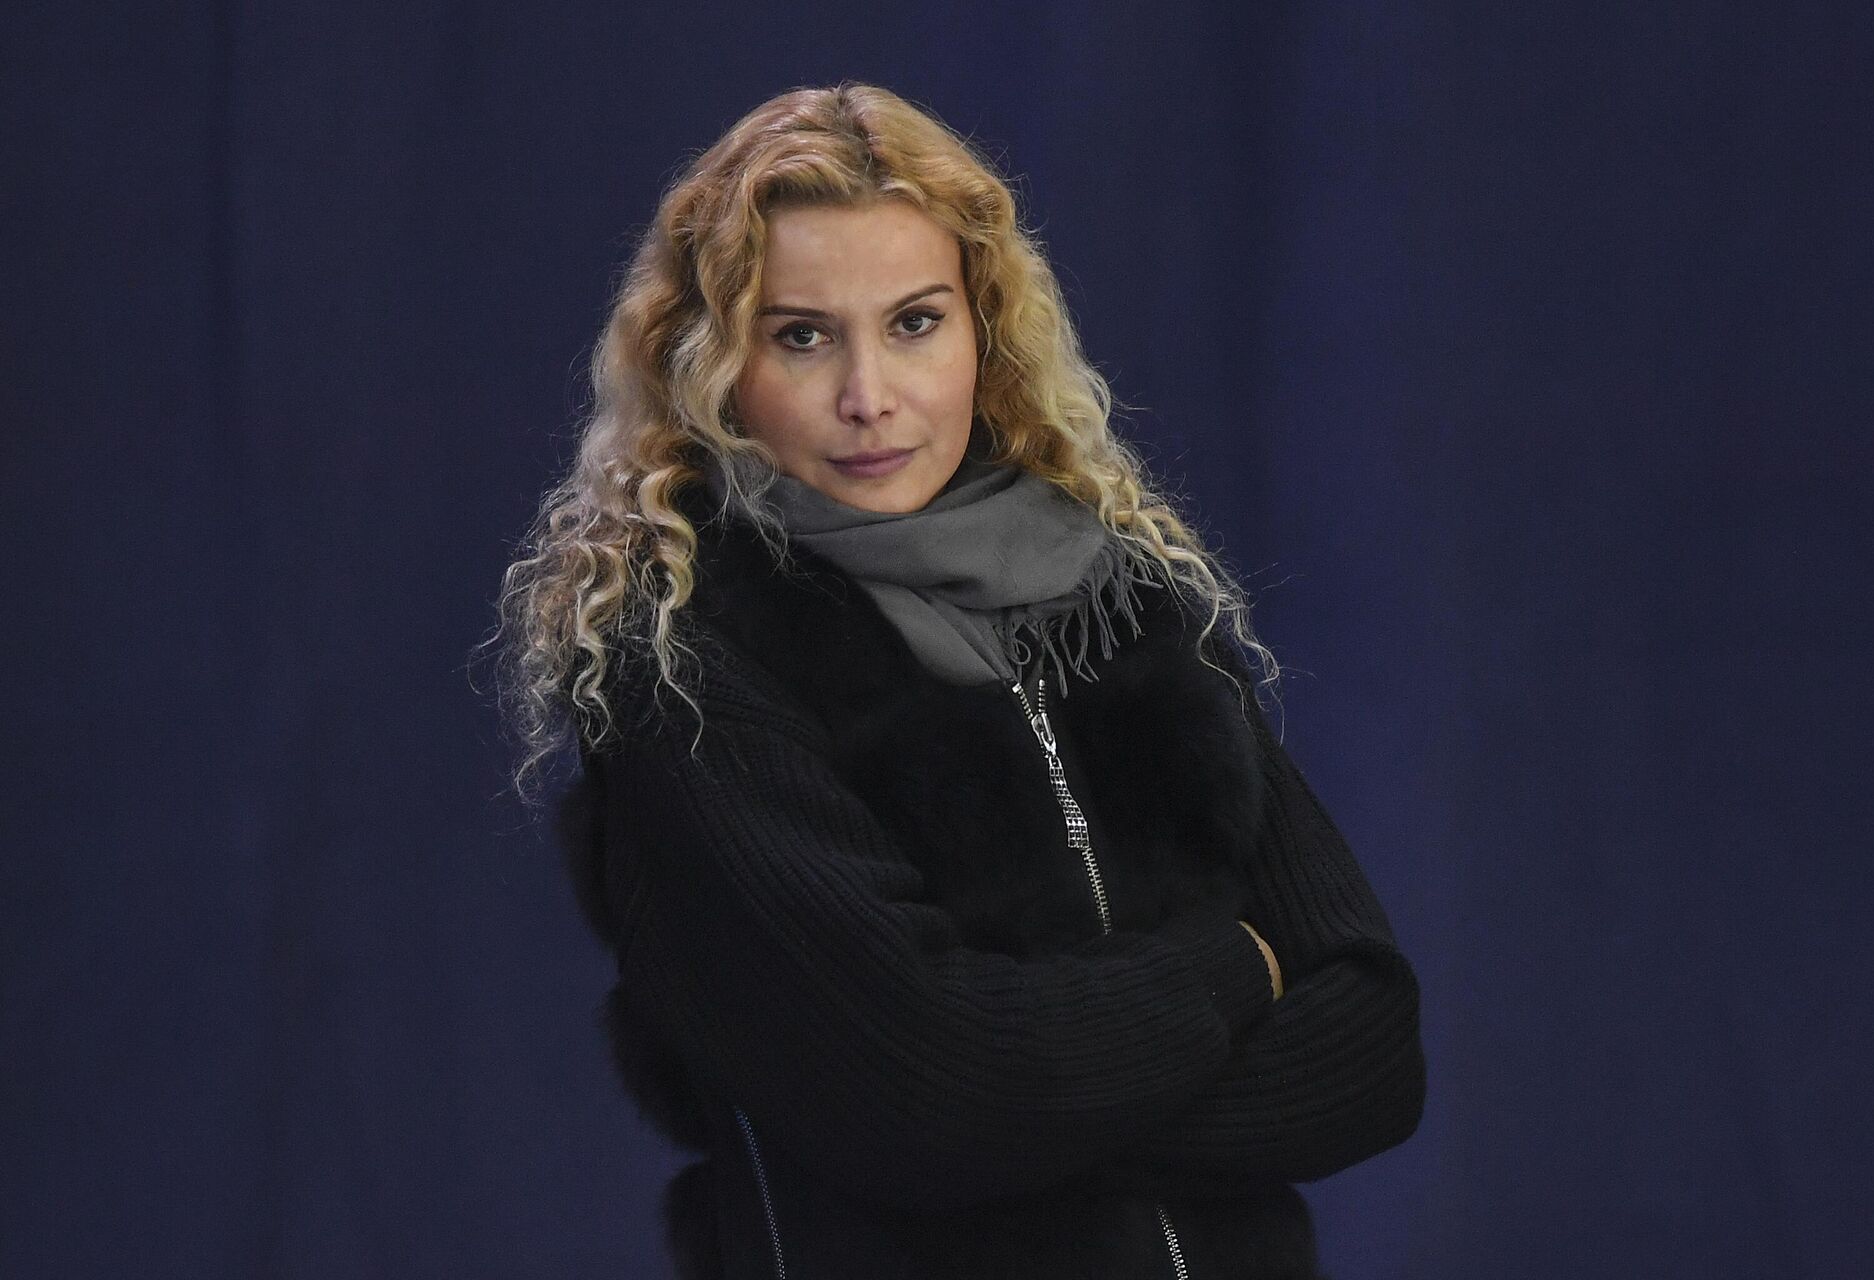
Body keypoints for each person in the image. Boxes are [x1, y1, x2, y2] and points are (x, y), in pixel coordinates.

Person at [493, 81, 1424, 1280]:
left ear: (983, 329)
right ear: (713, 365)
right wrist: (1239, 964)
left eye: (915, 322)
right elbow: (940, 1096)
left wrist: (1042, 1106)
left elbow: (1373, 1046)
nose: (869, 396)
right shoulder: (686, 665)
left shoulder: (1125, 596)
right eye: (801, 334)